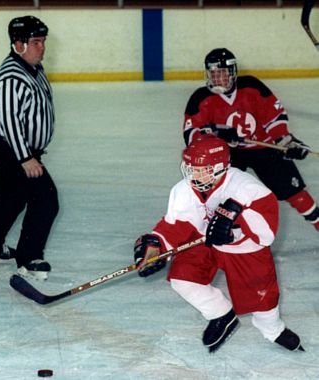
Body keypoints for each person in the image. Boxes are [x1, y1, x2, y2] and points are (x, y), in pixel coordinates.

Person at [134, 135, 303, 353]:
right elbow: (176, 225)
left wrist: (234, 230)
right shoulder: (182, 189)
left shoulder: (249, 189)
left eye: (201, 169)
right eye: (191, 167)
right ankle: (220, 314)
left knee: (263, 299)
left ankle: (273, 329)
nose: (194, 174)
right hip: (203, 242)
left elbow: (266, 234)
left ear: (219, 166)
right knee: (182, 278)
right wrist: (157, 244)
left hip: (244, 249)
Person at [183, 47, 319, 231]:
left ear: (233, 72)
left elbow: (274, 117)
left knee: (294, 191)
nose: (217, 78)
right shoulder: (201, 98)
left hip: (262, 148)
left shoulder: (251, 87)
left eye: (222, 73)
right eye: (213, 73)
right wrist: (216, 133)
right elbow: (191, 134)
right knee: (218, 197)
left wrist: (287, 142)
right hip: (226, 155)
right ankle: (217, 236)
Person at [0, 16, 59, 281]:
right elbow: (9, 121)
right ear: (17, 44)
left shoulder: (33, 67)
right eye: (35, 42)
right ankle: (30, 257)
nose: (41, 47)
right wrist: (26, 158)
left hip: (22, 150)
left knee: (12, 196)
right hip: (12, 149)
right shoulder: (11, 76)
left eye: (43, 41)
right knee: (45, 198)